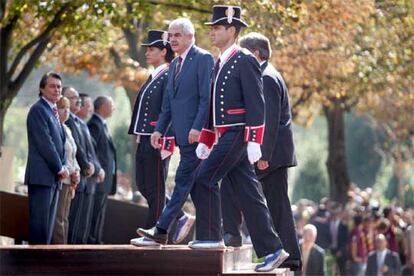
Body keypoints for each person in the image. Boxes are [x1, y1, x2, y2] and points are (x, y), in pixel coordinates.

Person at [188, 5, 288, 272]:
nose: (212, 32)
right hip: (226, 134)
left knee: (204, 179)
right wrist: (207, 138)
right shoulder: (221, 60)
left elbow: (257, 103)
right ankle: (273, 250)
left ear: (231, 30)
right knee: (249, 195)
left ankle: (210, 238)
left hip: (238, 133)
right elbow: (213, 104)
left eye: (217, 28)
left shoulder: (244, 59)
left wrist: (255, 139)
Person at [219, 31, 301, 271]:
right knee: (278, 206)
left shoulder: (264, 77)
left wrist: (262, 154)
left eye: (243, 54)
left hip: (270, 156)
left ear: (256, 53)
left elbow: (268, 119)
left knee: (234, 186)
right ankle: (290, 256)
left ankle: (232, 235)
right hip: (276, 154)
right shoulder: (268, 74)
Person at [137, 18, 214, 244]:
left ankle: (160, 229)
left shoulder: (203, 58)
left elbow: (205, 98)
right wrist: (158, 130)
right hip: (179, 135)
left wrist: (197, 127)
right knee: (197, 186)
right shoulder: (175, 65)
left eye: (177, 35)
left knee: (182, 181)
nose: (172, 39)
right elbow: (168, 105)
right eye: (170, 36)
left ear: (191, 36)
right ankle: (211, 233)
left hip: (194, 136)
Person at [128, 30, 191, 246]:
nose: (147, 52)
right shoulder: (156, 74)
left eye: (152, 49)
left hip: (157, 139)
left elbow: (173, 108)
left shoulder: (169, 74)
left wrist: (167, 138)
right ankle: (179, 214)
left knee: (155, 188)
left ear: (164, 51)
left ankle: (155, 235)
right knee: (144, 185)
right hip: (145, 138)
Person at [25, 72, 69, 244]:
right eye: (52, 86)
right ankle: (34, 267)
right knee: (40, 226)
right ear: (42, 89)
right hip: (42, 177)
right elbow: (45, 144)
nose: (56, 89)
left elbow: (61, 144)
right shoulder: (38, 110)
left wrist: (64, 166)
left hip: (54, 178)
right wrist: (60, 168)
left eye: (59, 86)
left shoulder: (53, 111)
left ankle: (44, 264)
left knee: (49, 228)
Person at [62, 86, 95, 244]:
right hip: (72, 175)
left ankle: (76, 249)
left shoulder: (79, 122)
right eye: (73, 97)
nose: (78, 100)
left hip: (81, 175)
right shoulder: (66, 120)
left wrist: (93, 165)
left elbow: (87, 150)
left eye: (77, 97)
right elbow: (77, 149)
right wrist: (85, 165)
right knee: (69, 219)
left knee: (78, 222)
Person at [88, 96, 117, 244]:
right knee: (94, 212)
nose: (113, 108)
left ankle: (96, 240)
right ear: (101, 106)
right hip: (98, 178)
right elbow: (92, 152)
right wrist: (98, 170)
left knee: (100, 213)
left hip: (105, 179)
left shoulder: (103, 125)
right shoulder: (94, 125)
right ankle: (92, 241)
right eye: (111, 104)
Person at [77, 92, 105, 244]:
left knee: (83, 221)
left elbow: (92, 152)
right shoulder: (89, 125)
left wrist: (99, 168)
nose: (89, 109)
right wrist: (91, 166)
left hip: (91, 177)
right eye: (87, 105)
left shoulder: (84, 125)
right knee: (77, 220)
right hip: (83, 176)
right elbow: (84, 152)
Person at [52, 96, 80, 244]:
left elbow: (73, 154)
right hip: (63, 178)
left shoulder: (67, 129)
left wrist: (77, 171)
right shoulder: (56, 128)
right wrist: (71, 170)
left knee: (65, 217)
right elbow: (60, 154)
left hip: (71, 179)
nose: (66, 111)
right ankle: (59, 248)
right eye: (63, 108)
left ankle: (64, 246)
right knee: (59, 217)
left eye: (68, 108)